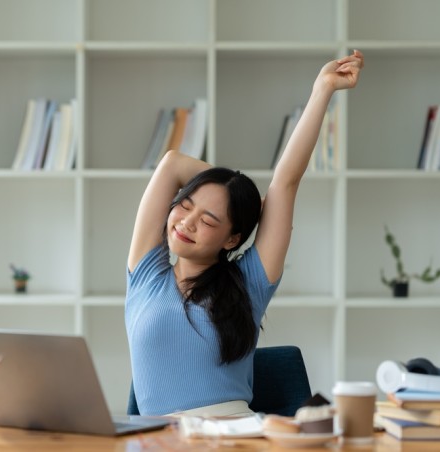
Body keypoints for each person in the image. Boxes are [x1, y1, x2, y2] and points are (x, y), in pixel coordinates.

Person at [124, 50, 365, 417]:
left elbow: (285, 183)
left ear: (232, 238)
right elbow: (172, 163)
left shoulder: (248, 281)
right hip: (160, 440)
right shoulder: (145, 275)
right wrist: (233, 192)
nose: (187, 223)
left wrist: (323, 90)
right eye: (185, 206)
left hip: (237, 435)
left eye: (208, 221)